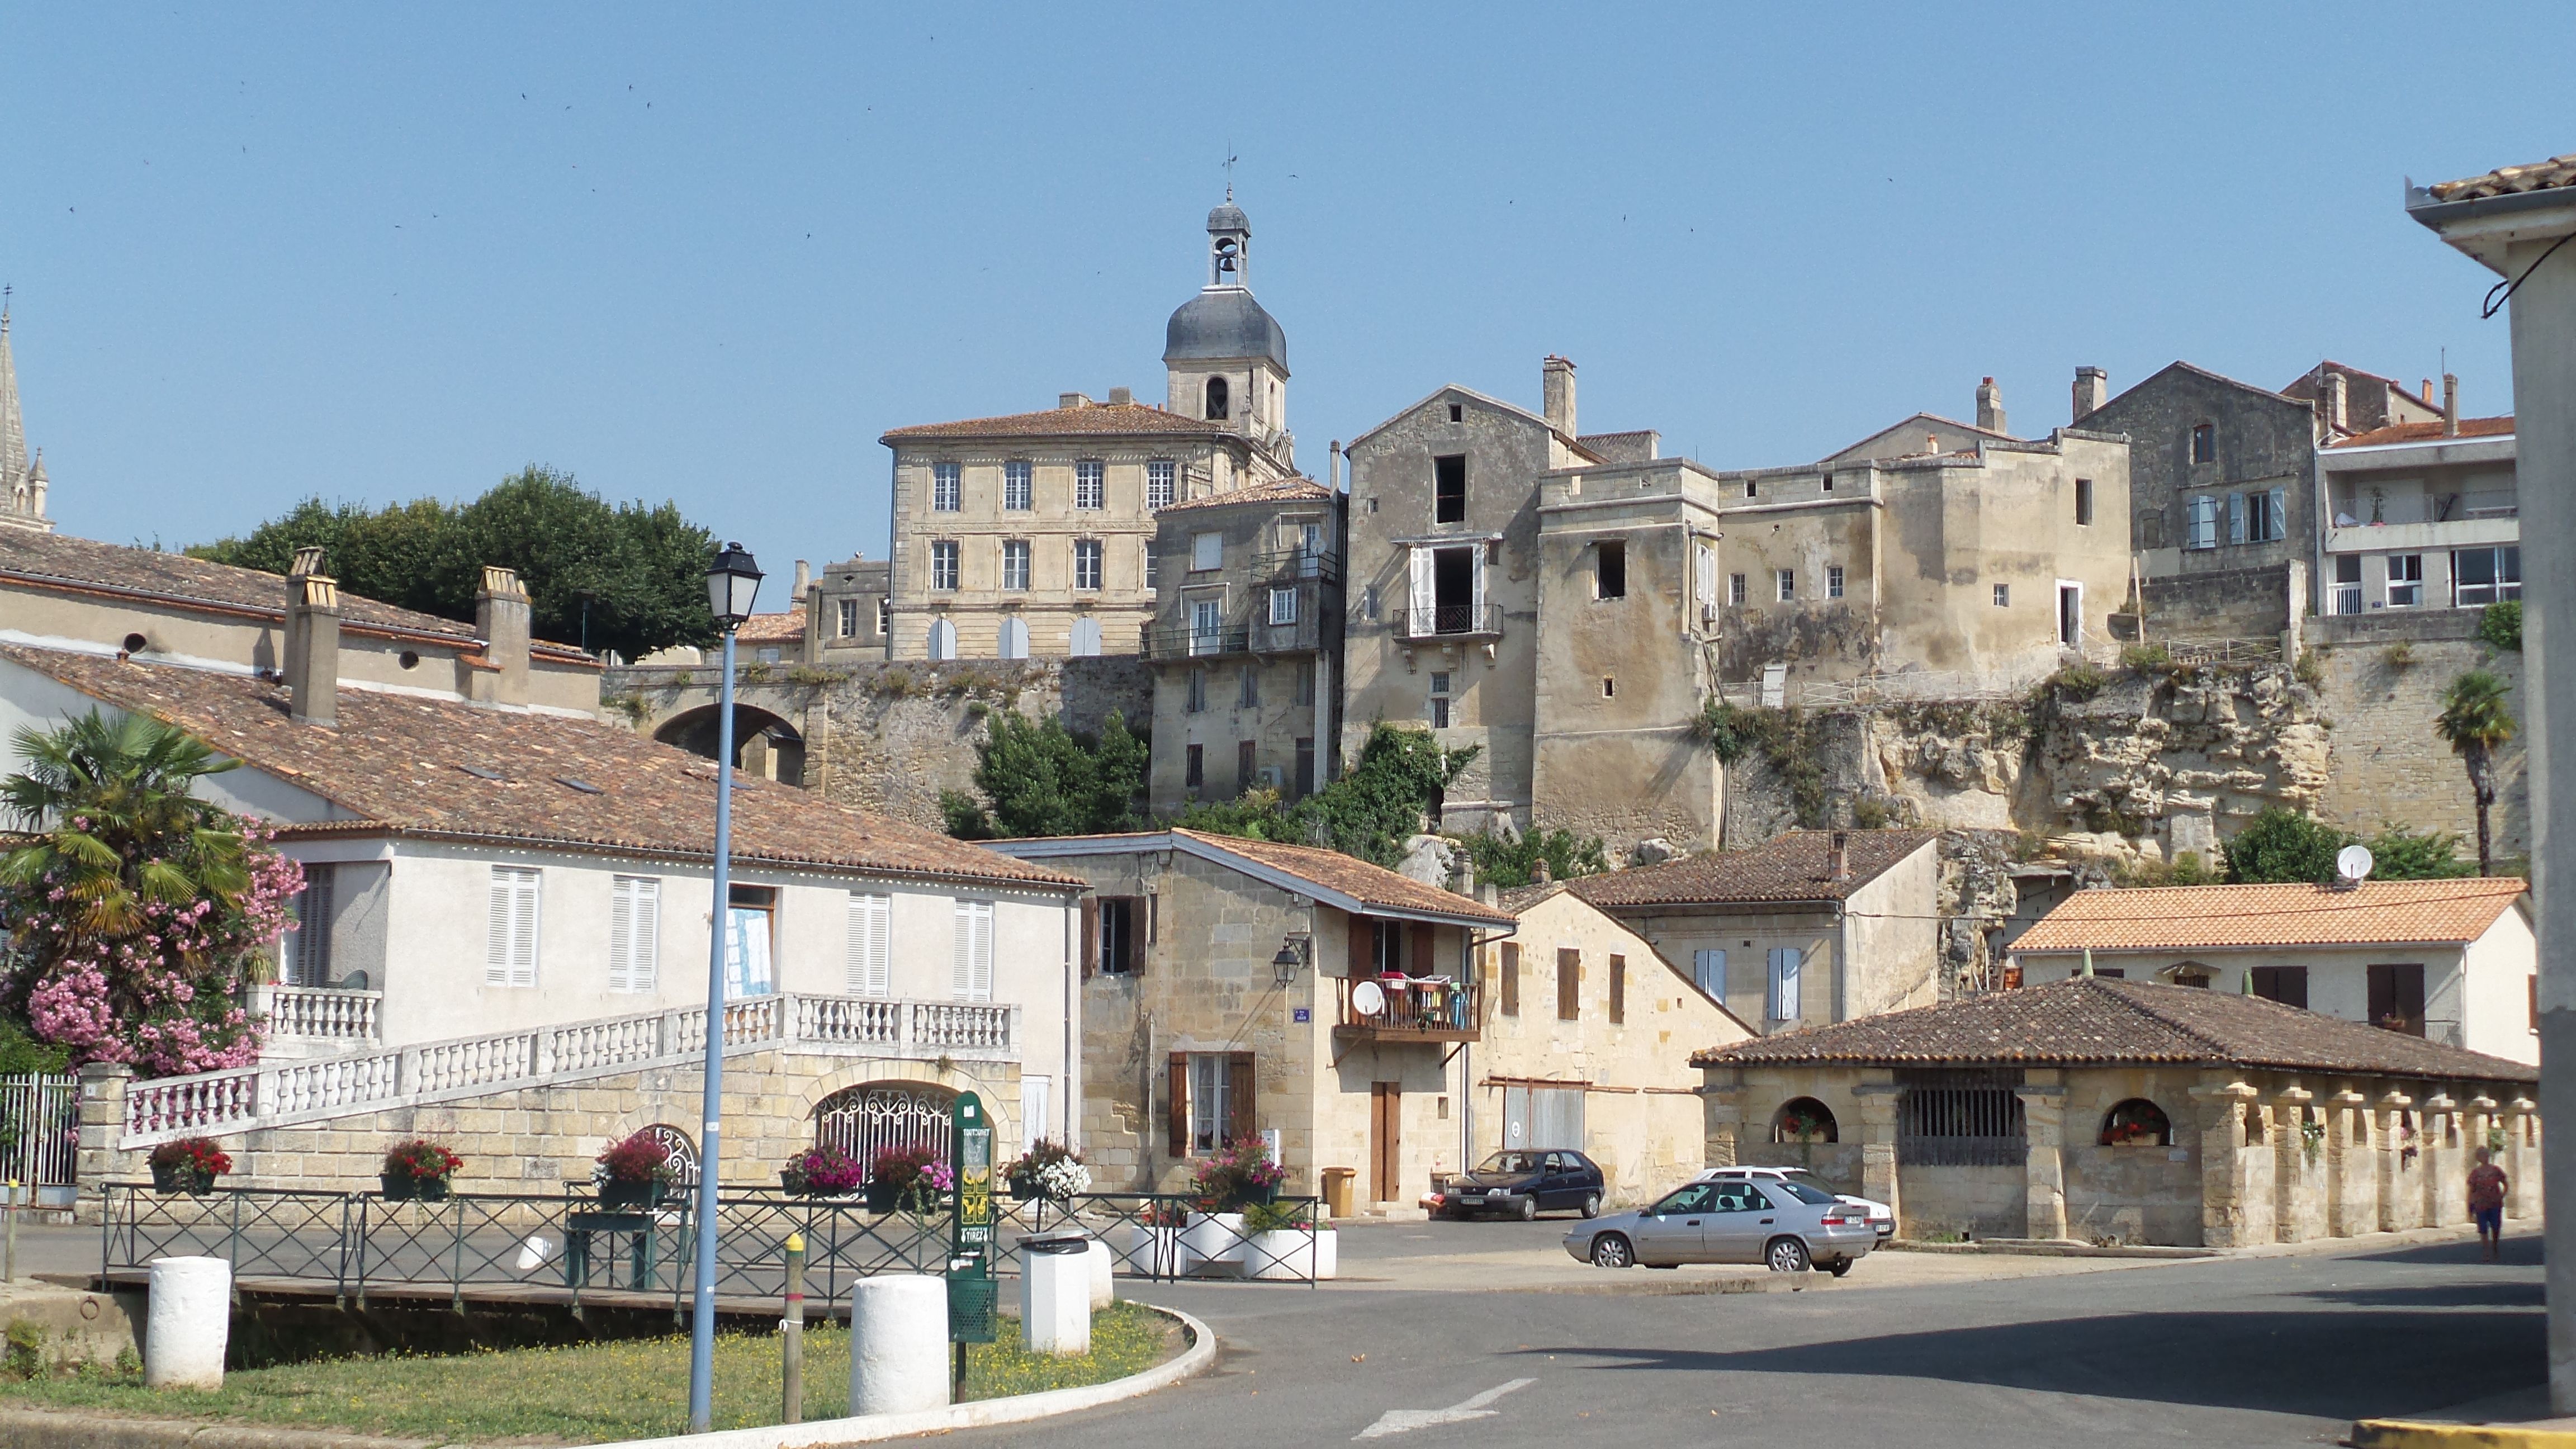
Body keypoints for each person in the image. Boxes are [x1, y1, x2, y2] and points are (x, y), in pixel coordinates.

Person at [2467, 1147, 2509, 1263]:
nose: (2484, 1157)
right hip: (2481, 1204)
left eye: (2486, 1155)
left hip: (2495, 1203)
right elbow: (2471, 1190)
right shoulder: (2475, 1174)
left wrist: (2502, 1195)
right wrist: (2470, 1205)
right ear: (2478, 1158)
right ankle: (2486, 1251)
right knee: (2483, 1228)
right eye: (2481, 1155)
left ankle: (2495, 1246)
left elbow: (2505, 1184)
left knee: (2496, 1226)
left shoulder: (2496, 1171)